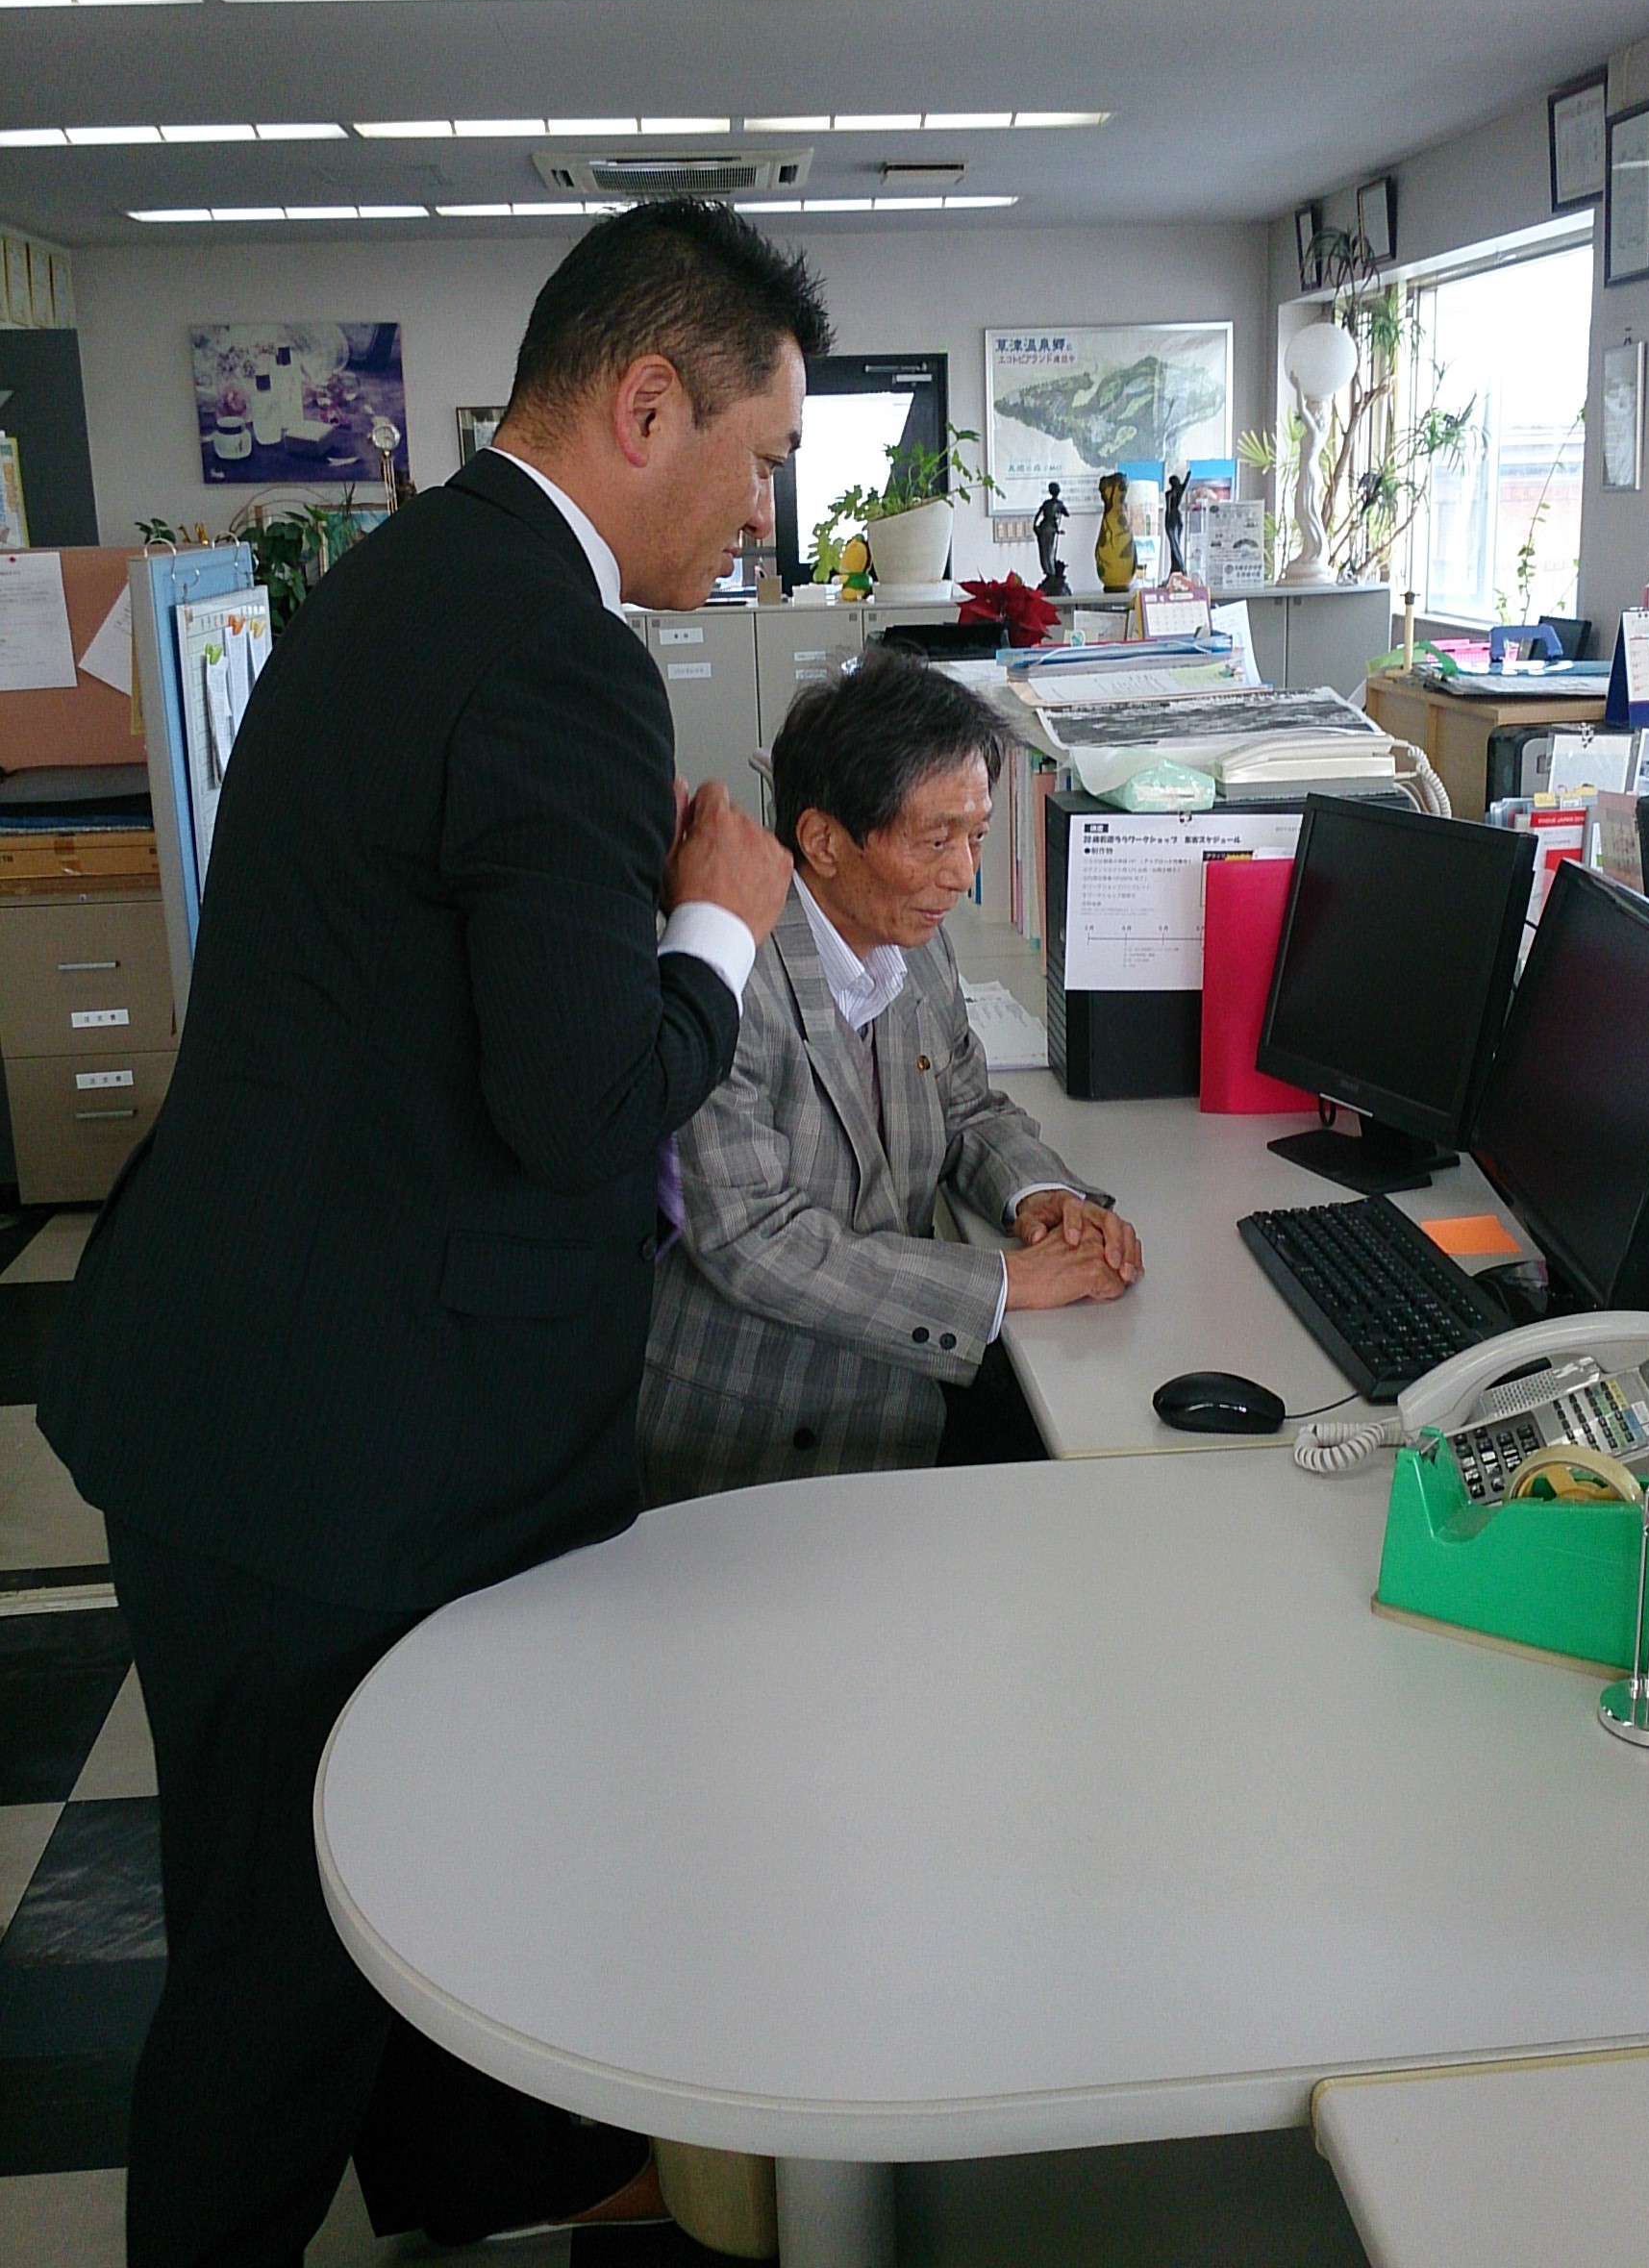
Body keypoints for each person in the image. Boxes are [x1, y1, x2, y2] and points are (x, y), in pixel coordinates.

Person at [37, 202, 820, 2266]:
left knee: (426, 1849)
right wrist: (717, 926)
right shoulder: (558, 658)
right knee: (276, 1964)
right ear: (644, 406)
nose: (762, 511)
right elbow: (585, 1106)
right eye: (756, 458)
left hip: (276, 1358)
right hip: (326, 1438)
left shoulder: (408, 574)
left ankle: (503, 2183)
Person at [638, 648, 1142, 1505]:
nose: (963, 874)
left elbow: (966, 1103)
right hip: (751, 1434)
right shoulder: (729, 978)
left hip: (895, 1393)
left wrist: (1041, 1196)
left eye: (977, 837)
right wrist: (1009, 1281)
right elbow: (755, 1242)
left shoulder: (916, 938)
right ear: (823, 841)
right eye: (935, 840)